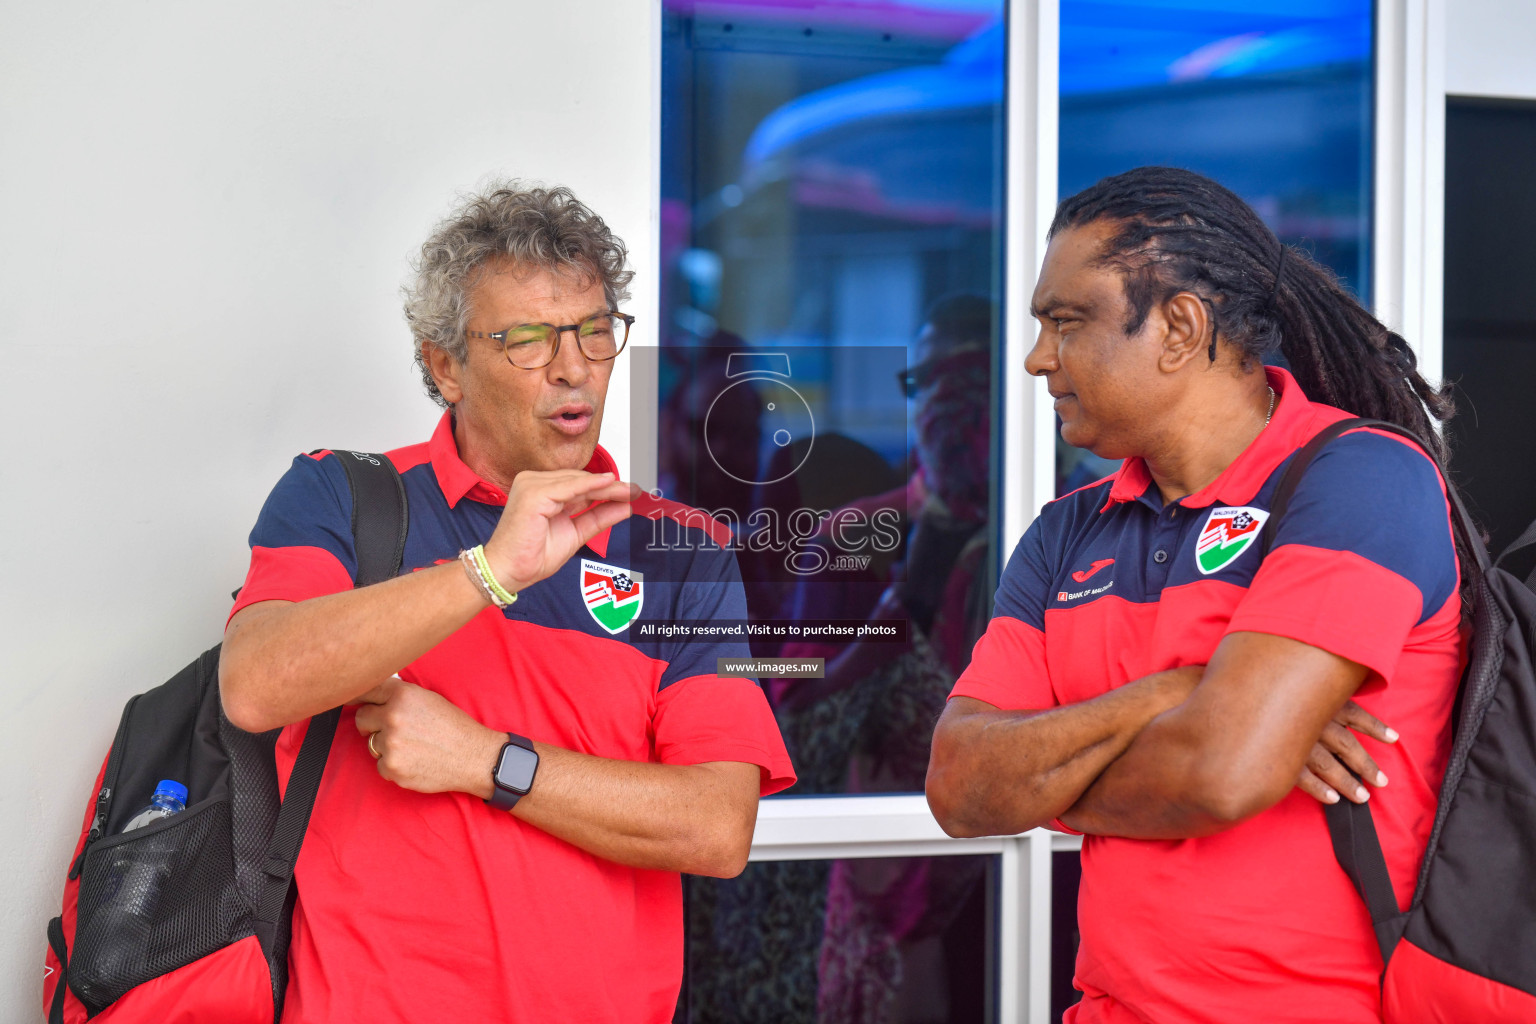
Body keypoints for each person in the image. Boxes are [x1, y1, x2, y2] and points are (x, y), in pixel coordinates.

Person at [218, 182, 796, 1023]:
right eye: (528, 338)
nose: (573, 367)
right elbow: (256, 684)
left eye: (595, 331)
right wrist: (487, 572)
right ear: (443, 364)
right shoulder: (343, 497)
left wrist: (488, 761)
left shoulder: (683, 549)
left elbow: (716, 826)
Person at [926, 166, 1464, 1023]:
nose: (1036, 360)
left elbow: (1219, 772)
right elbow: (960, 788)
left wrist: (1050, 776)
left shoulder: (1363, 480)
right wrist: (1178, 691)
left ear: (1180, 327)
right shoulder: (1066, 533)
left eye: (1067, 323)